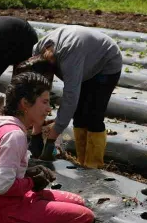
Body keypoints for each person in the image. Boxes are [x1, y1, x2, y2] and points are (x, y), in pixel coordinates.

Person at [0, 72, 94, 223]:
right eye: (44, 102)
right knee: (84, 217)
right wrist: (31, 183)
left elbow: (1, 172)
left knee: (78, 201)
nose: (49, 109)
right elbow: (2, 187)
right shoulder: (14, 135)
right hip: (3, 212)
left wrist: (28, 174)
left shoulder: (0, 127)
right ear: (25, 104)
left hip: (5, 205)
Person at [25, 25, 122, 168]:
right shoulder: (37, 52)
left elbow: (70, 97)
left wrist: (51, 140)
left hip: (106, 63)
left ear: (54, 67)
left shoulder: (69, 59)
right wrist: (36, 133)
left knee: (93, 115)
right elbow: (40, 94)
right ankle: (82, 161)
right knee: (79, 116)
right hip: (84, 56)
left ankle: (93, 165)